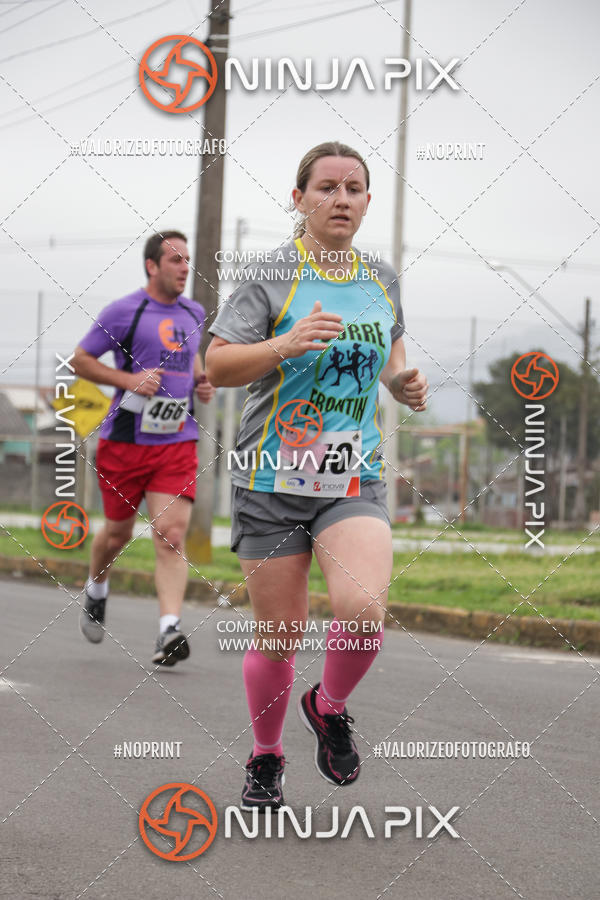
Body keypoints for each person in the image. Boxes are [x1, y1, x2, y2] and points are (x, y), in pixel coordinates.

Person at [205, 142, 428, 810]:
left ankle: (327, 707)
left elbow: (389, 356)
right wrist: (282, 345)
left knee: (362, 610)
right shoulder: (270, 277)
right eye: (326, 187)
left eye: (354, 188)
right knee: (281, 634)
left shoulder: (381, 279)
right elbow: (217, 367)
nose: (341, 199)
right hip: (270, 479)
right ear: (298, 198)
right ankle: (266, 757)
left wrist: (404, 383)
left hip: (351, 476)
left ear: (366, 202)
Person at [72, 231, 215, 666]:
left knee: (171, 534)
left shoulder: (195, 311)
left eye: (188, 260)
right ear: (152, 266)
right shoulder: (123, 312)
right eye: (175, 260)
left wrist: (201, 379)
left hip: (177, 442)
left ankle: (168, 630)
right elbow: (81, 360)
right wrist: (128, 380)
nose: (185, 268)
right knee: (116, 534)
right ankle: (97, 587)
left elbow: (189, 357)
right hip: (125, 443)